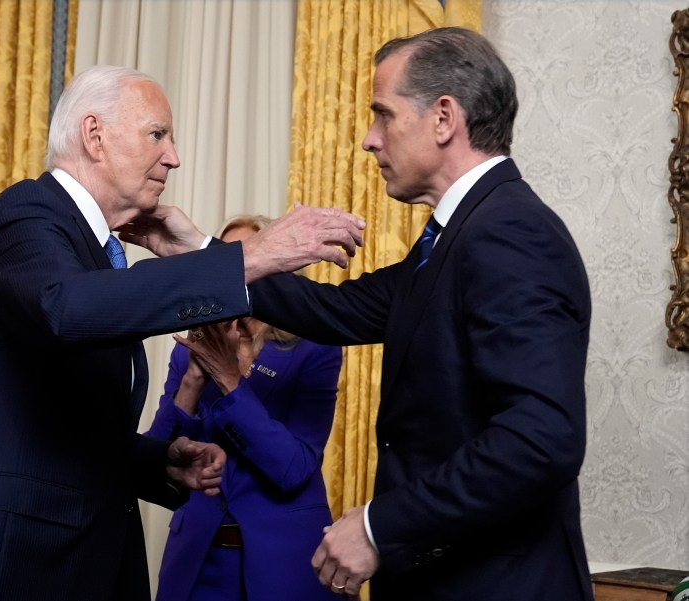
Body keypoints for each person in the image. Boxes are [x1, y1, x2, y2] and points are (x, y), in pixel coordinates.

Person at [130, 27, 594, 601]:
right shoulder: (462, 235)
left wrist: (381, 525)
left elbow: (541, 441)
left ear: (444, 118)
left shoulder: (509, 234)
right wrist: (200, 249)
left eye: (383, 114)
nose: (369, 140)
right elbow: (334, 309)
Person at [0, 65, 364, 601]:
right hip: (5, 561)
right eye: (158, 134)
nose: (174, 157)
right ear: (95, 135)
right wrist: (252, 257)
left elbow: (60, 426)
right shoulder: (29, 211)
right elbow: (63, 310)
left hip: (75, 559)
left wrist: (156, 463)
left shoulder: (90, 250)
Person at [148, 215, 342, 601]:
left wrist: (229, 379)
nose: (234, 275)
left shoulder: (315, 348)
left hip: (283, 562)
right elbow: (155, 460)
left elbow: (293, 468)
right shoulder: (191, 347)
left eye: (246, 261)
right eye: (225, 264)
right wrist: (192, 381)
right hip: (197, 561)